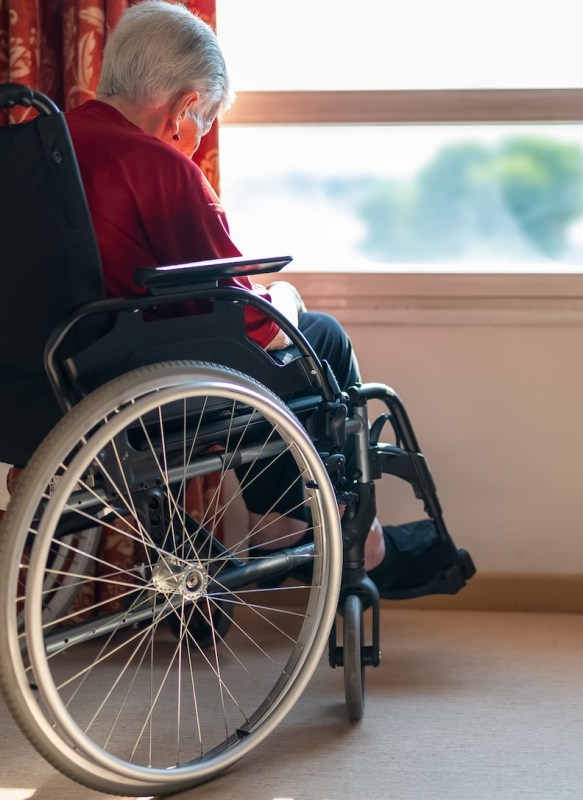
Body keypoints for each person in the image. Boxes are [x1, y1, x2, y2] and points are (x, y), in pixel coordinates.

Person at [64, 0, 468, 598]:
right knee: (316, 337)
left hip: (49, 366)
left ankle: (283, 524)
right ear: (184, 107)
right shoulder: (159, 166)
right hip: (137, 380)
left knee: (282, 355)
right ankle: (326, 532)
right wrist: (284, 296)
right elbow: (247, 320)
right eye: (205, 123)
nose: (200, 141)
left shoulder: (45, 146)